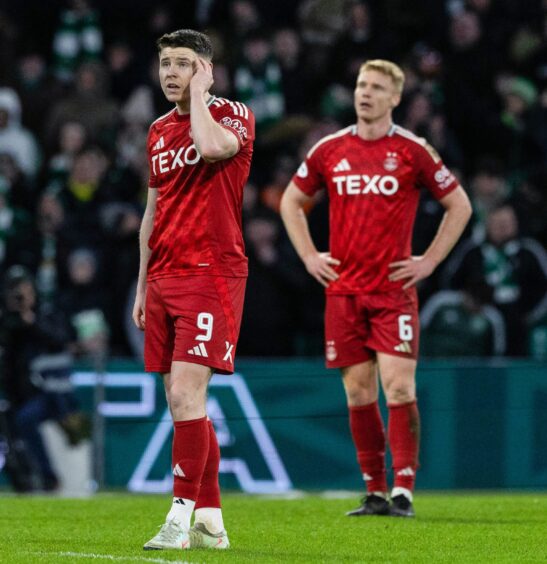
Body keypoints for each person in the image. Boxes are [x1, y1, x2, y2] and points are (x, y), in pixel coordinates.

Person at [280, 59, 472, 517]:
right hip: (344, 292)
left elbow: (459, 205)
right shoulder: (330, 149)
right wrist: (309, 256)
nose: (365, 93)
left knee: (400, 387)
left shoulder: (412, 150)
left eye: (376, 87)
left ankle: (403, 489)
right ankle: (373, 490)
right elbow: (291, 201)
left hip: (391, 292)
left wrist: (429, 261)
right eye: (361, 85)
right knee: (359, 394)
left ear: (395, 98)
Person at [132, 29, 255, 550]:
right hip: (163, 276)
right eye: (165, 63)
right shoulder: (158, 130)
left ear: (206, 69)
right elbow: (152, 213)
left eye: (183, 63)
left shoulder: (234, 115)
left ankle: (178, 520)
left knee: (186, 394)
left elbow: (209, 149)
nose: (170, 73)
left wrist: (201, 97)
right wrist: (142, 285)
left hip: (212, 272)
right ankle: (211, 520)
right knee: (183, 404)